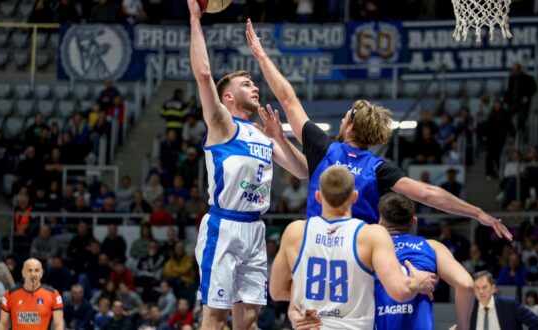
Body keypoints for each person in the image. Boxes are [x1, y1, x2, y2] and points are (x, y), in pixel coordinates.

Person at [245, 19, 511, 241]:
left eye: (346, 116)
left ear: (349, 127)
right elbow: (429, 195)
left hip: (319, 247)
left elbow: (289, 99)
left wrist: (261, 54)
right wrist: (476, 212)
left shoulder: (324, 148)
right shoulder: (379, 169)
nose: (342, 119)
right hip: (361, 254)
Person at [188, 1, 308, 329]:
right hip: (224, 227)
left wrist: (280, 138)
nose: (255, 87)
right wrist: (195, 19)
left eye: (254, 84)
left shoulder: (263, 132)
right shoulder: (222, 124)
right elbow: (202, 74)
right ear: (227, 97)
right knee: (214, 317)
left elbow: (304, 172)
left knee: (250, 320)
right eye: (246, 84)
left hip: (255, 228)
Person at [270, 165, 436, 329]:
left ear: (318, 196)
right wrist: (417, 283)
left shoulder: (295, 232)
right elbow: (399, 291)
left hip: (313, 324)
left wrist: (297, 304)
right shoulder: (371, 235)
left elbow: (276, 291)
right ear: (355, 197)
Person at [374, 193, 474, 330]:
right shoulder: (432, 247)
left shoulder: (369, 251)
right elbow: (466, 285)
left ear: (380, 223)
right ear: (414, 222)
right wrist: (463, 326)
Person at [0, 258, 64, 330]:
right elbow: (3, 324)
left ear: (41, 273)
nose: (33, 274)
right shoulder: (10, 294)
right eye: (29, 270)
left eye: (36, 270)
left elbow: (59, 325)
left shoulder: (53, 294)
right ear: (23, 273)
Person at [471, 271, 538, 330]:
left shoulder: (510, 305)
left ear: (493, 289)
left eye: (484, 287)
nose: (481, 291)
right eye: (477, 288)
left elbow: (536, 322)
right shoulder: (469, 309)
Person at [503, 63, 538, 131]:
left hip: (522, 104)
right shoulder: (510, 78)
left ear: (519, 69)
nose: (513, 71)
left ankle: (521, 134)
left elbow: (534, 88)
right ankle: (512, 132)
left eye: (515, 69)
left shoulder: (527, 78)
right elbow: (507, 90)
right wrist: (505, 100)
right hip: (512, 102)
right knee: (505, 116)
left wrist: (527, 96)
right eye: (512, 69)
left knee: (521, 119)